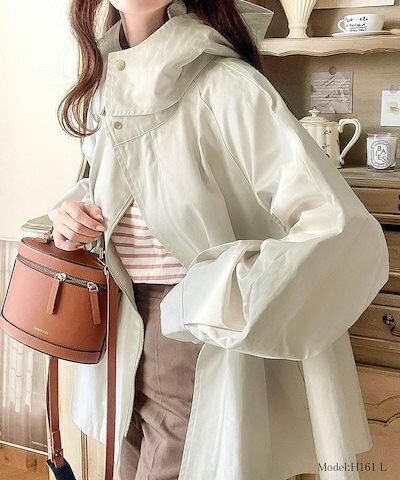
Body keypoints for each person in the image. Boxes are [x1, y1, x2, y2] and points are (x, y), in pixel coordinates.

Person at [47, 0, 390, 479]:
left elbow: (335, 225)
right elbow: (114, 183)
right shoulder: (105, 81)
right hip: (114, 313)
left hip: (183, 323)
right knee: (126, 462)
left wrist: (221, 292)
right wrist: (72, 213)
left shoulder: (225, 83)